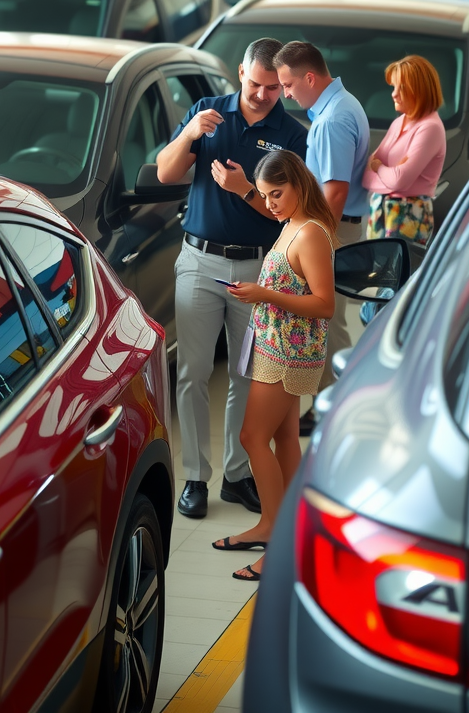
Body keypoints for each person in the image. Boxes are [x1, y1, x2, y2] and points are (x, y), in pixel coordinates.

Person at [156, 38, 308, 520]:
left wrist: (245, 191)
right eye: (256, 83)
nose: (264, 95)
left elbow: (294, 216)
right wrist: (188, 136)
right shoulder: (208, 112)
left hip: (259, 270)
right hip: (199, 262)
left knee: (246, 377)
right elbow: (165, 173)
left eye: (273, 88)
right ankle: (195, 478)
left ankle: (236, 474)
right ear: (240, 73)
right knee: (193, 373)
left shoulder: (292, 135)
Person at [210, 150, 338, 581]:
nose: (271, 204)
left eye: (277, 193)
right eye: (265, 196)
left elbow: (324, 304)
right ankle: (275, 526)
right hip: (273, 345)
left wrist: (264, 295)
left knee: (251, 437)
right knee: (283, 437)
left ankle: (281, 541)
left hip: (290, 353)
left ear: (299, 183)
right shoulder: (290, 224)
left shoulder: (311, 234)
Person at [274, 40, 369, 434]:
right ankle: (333, 401)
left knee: (328, 322)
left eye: (288, 85)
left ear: (309, 77)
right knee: (331, 319)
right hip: (341, 225)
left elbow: (334, 193)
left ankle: (335, 406)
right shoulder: (342, 104)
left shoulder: (331, 121)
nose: (285, 94)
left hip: (334, 227)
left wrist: (316, 239)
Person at [362, 54, 447, 245]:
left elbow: (399, 179)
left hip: (408, 217)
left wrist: (381, 168)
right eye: (394, 87)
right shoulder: (399, 122)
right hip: (380, 216)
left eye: (402, 88)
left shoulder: (430, 127)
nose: (393, 94)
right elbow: (367, 176)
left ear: (420, 91)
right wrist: (390, 173)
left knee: (402, 273)